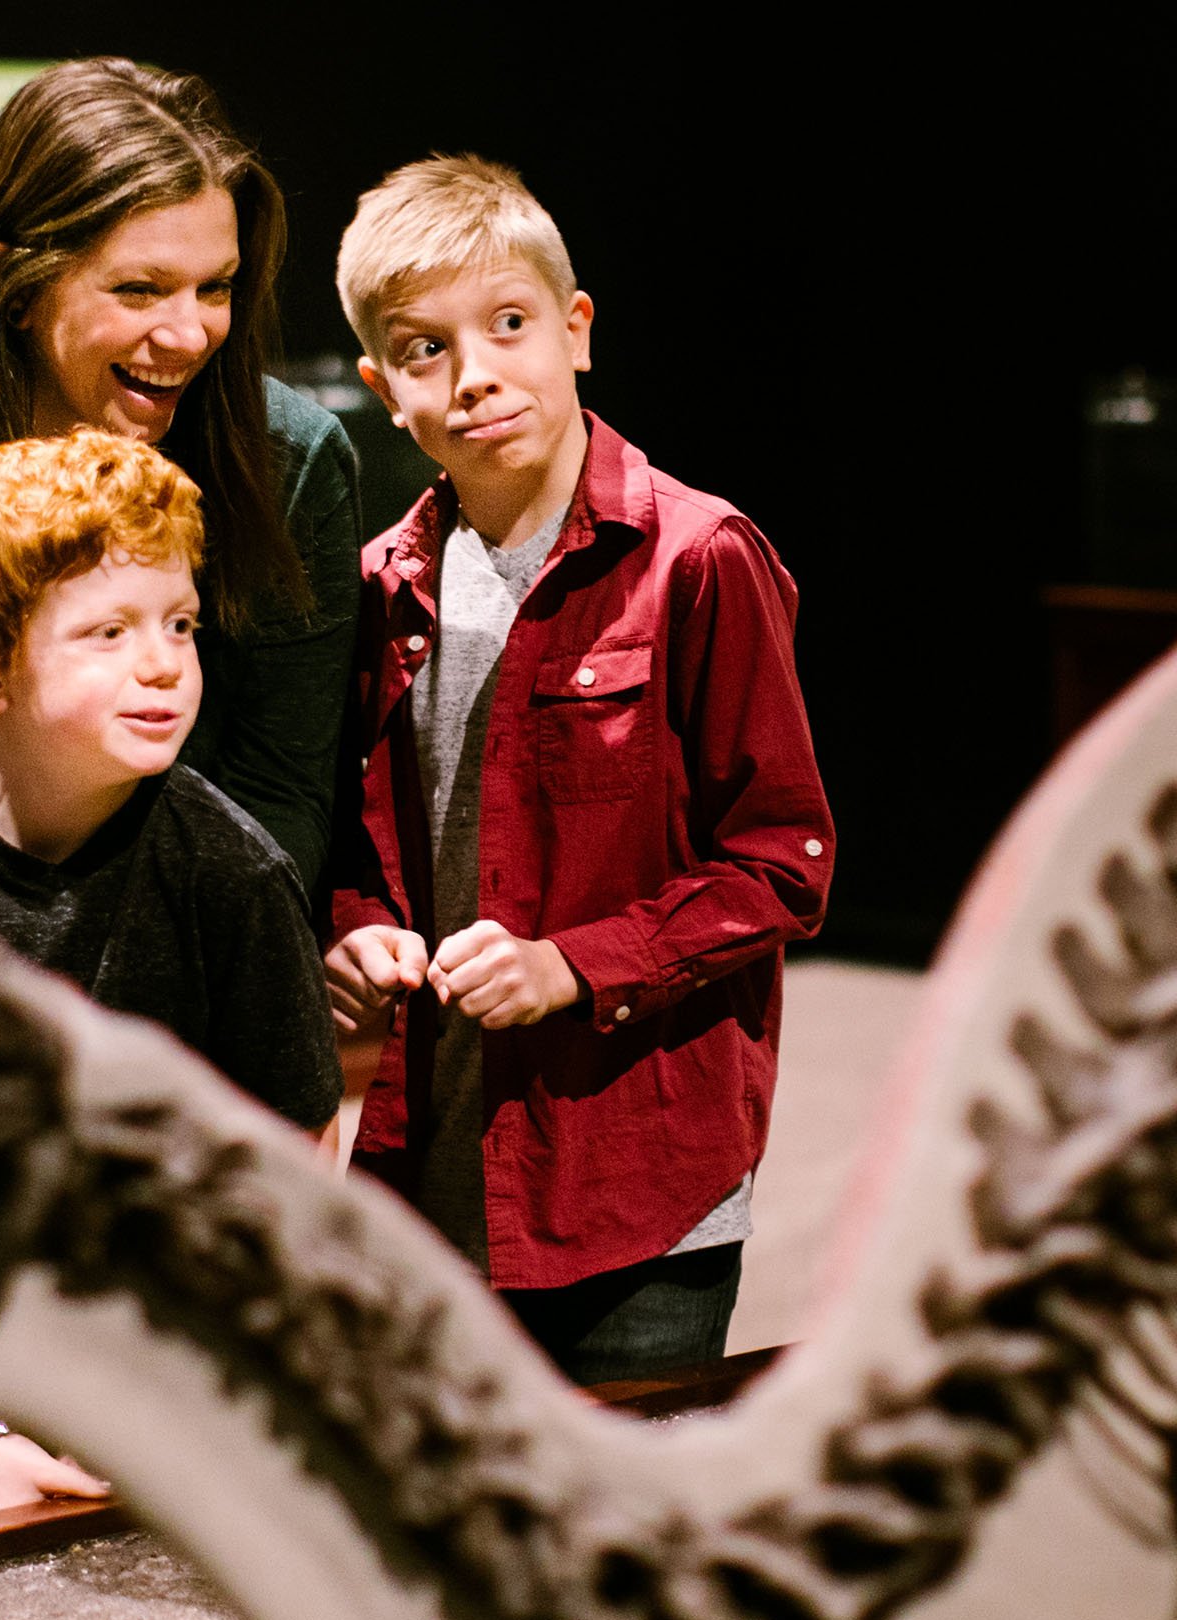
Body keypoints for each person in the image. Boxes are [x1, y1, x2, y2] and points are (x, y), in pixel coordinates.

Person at [321, 157, 834, 1384]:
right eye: (423, 348)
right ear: (382, 387)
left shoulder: (701, 558)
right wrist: (353, 934)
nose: (476, 373)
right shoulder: (375, 587)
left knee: (621, 1546)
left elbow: (782, 864)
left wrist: (570, 965)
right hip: (426, 1180)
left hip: (635, 1184)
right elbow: (355, 841)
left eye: (507, 325)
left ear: (575, 329)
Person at [0, 429, 341, 1534]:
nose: (162, 664)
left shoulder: (233, 876)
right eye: (107, 632)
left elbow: (287, 1195)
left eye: (180, 626)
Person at [0, 56, 357, 902]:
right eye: (140, 289)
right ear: (14, 285)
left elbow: (281, 801)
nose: (189, 334)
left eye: (215, 287)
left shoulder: (292, 460)